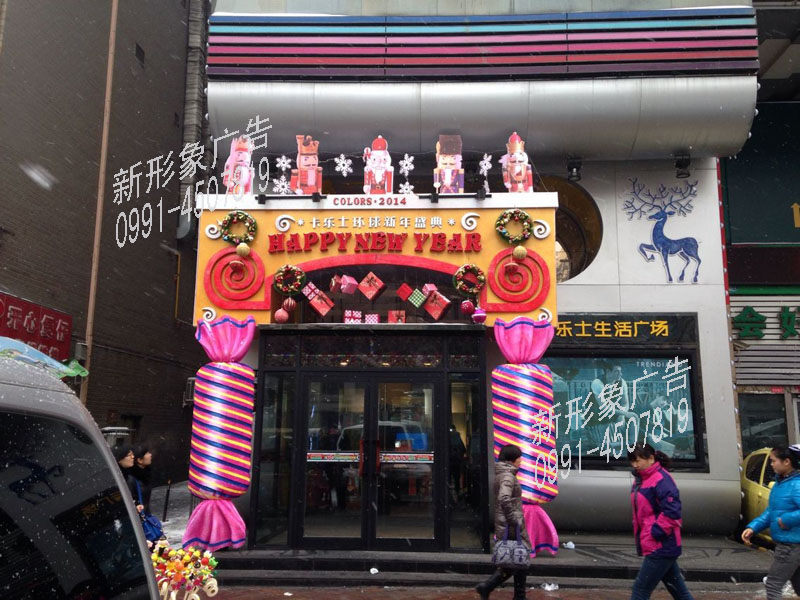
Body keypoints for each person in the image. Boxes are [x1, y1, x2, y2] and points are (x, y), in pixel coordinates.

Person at [628, 443, 693, 600]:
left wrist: (655, 532)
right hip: (660, 543)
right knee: (679, 591)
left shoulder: (661, 479)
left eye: (637, 460)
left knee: (640, 590)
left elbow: (673, 512)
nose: (635, 465)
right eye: (632, 461)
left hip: (660, 545)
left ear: (651, 458)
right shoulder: (642, 479)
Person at [742, 445, 800, 600]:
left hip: (790, 545)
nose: (771, 464)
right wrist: (753, 527)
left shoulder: (796, 485)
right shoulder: (781, 484)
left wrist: (786, 520)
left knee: (773, 584)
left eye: (774, 461)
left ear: (786, 461)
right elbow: (771, 512)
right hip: (792, 544)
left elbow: (779, 515)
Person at [476, 444, 531, 600]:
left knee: (517, 558)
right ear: (512, 459)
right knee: (517, 557)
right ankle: (488, 586)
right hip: (510, 525)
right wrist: (513, 519)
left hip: (506, 523)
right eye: (519, 458)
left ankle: (519, 596)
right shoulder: (508, 476)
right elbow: (504, 498)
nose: (521, 461)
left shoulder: (503, 474)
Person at [127, 445, 153, 513]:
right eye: (147, 453)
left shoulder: (146, 475)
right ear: (140, 460)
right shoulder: (131, 479)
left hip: (145, 515)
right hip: (139, 516)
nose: (150, 455)